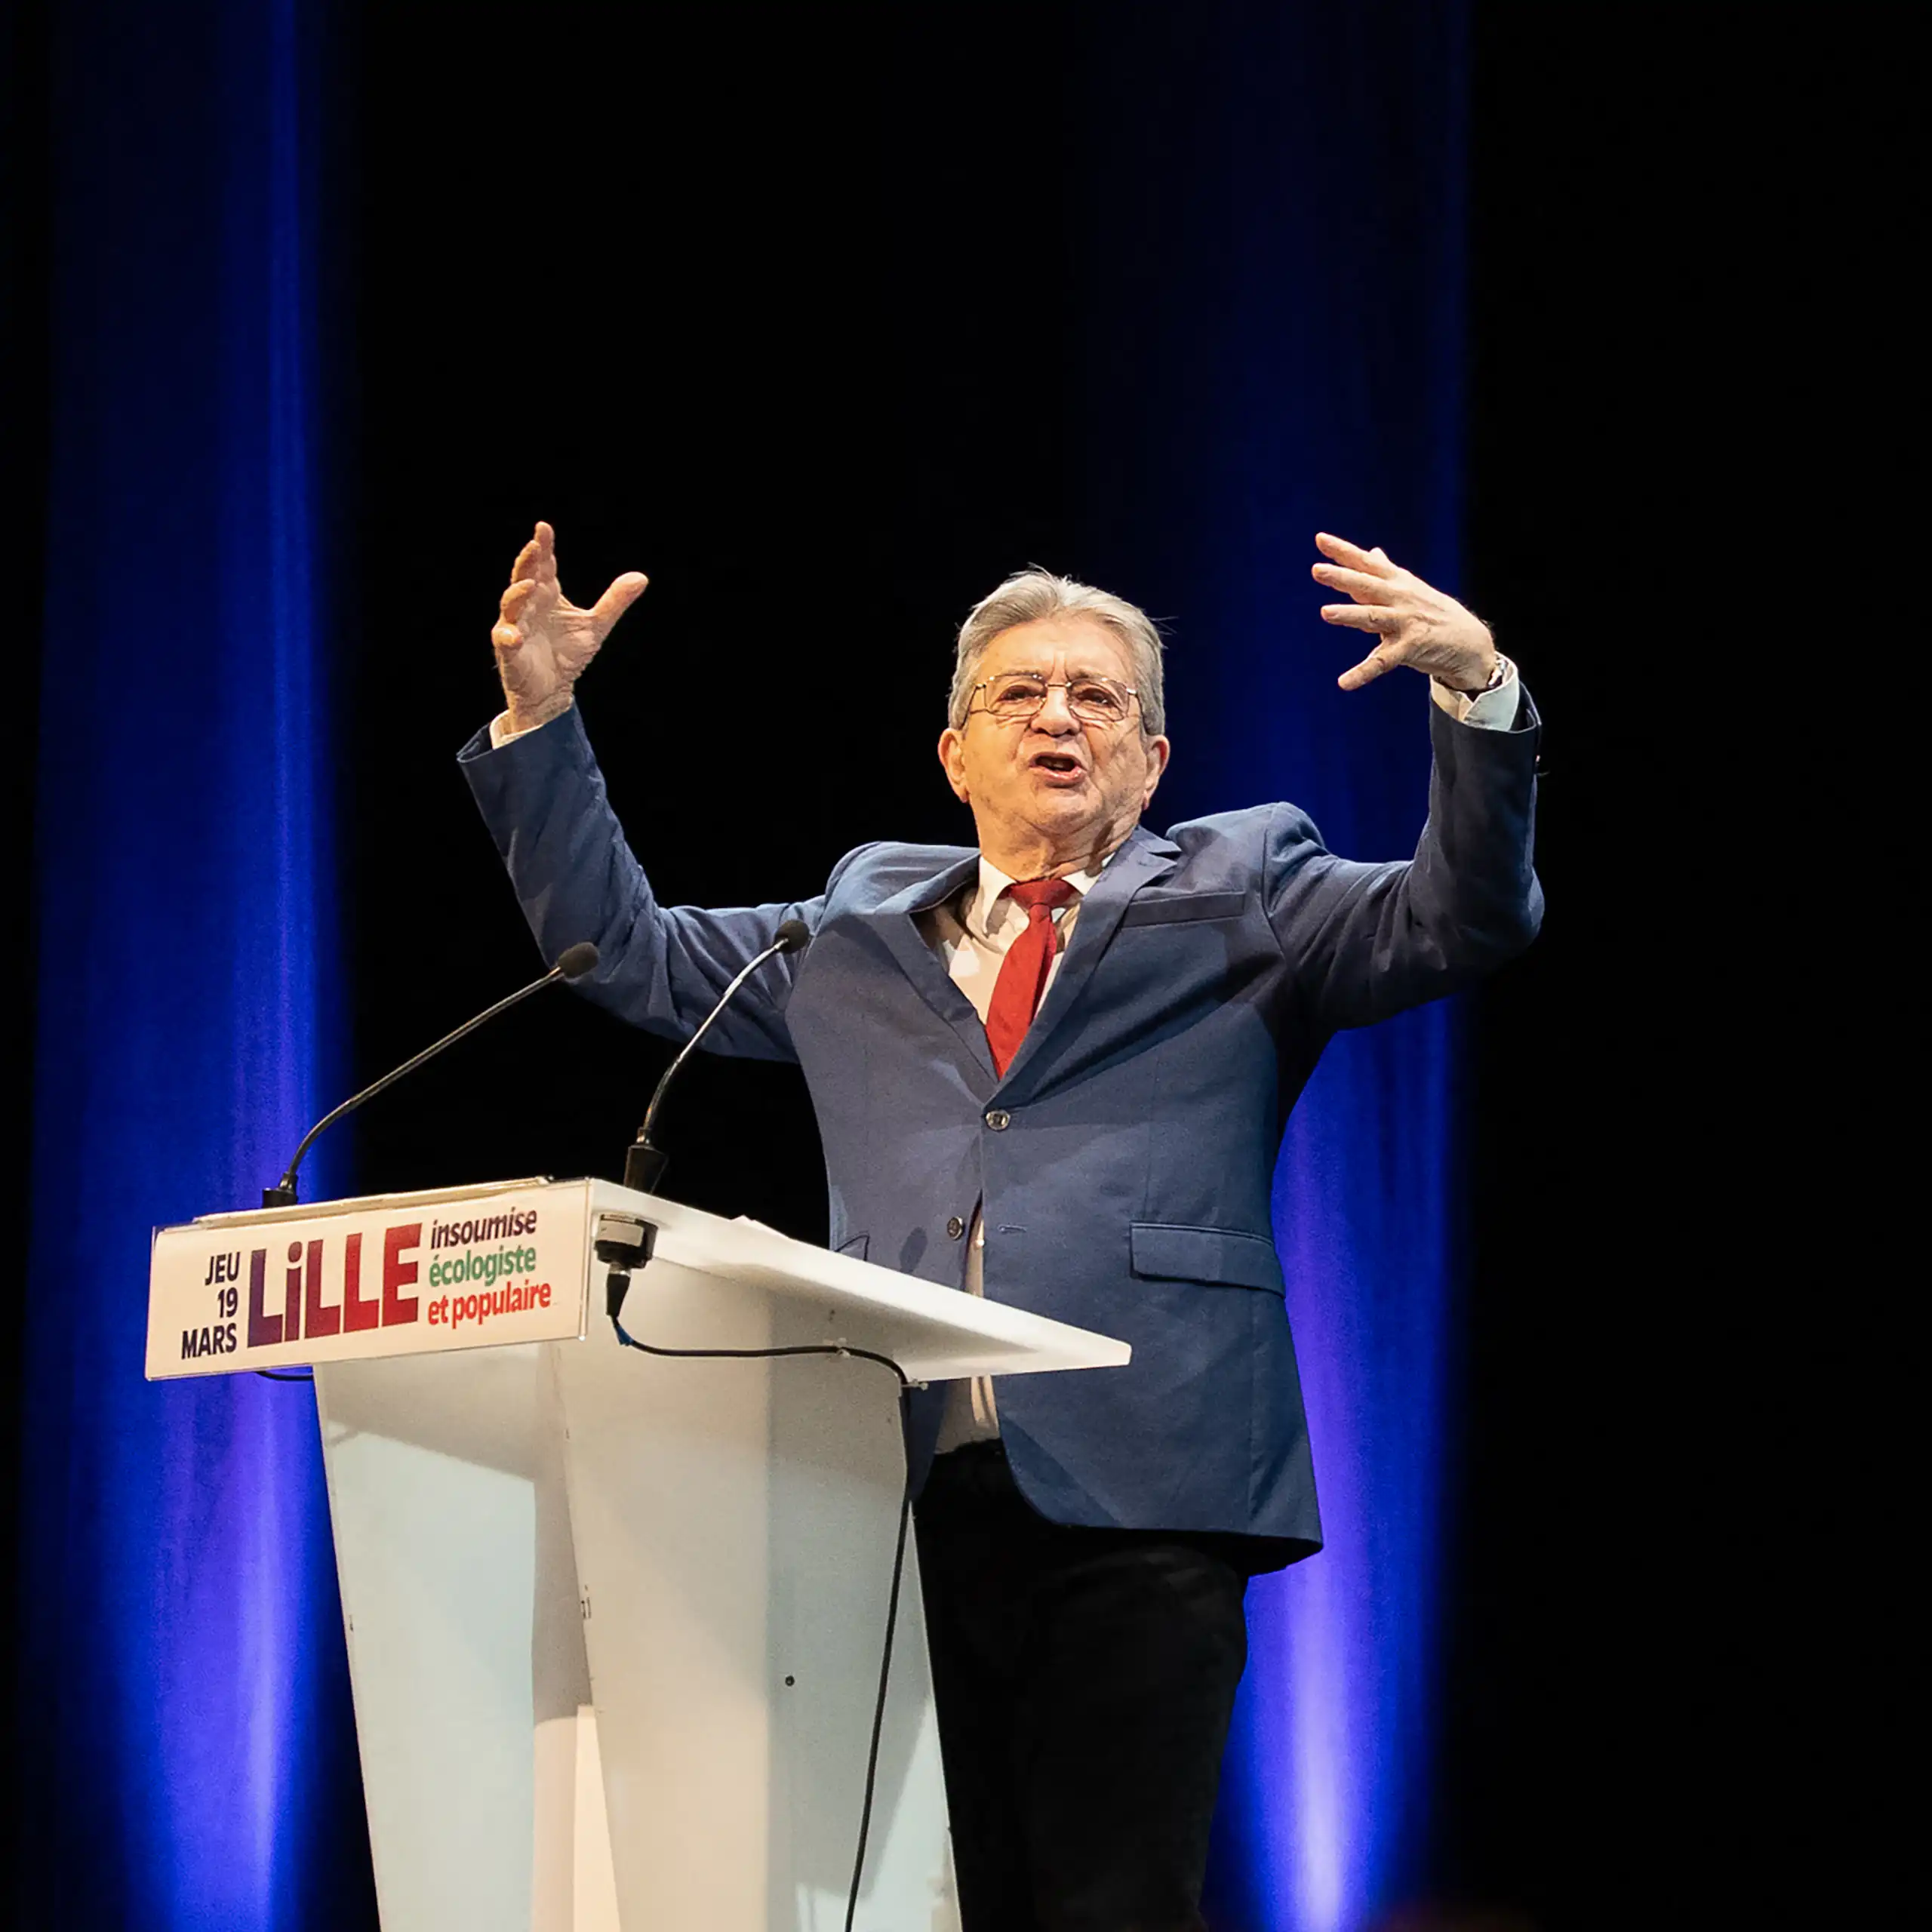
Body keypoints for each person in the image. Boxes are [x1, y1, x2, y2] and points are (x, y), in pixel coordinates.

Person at [461, 522, 1542, 1932]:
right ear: (953, 754)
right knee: (918, 1902)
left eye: (1100, 697)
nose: (1058, 716)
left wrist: (1482, 695)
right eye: (1019, 693)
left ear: (1153, 763)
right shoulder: (847, 925)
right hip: (886, 1499)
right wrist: (542, 722)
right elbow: (627, 954)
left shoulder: (1251, 888)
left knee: (1113, 1904)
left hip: (1145, 1483)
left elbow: (1466, 918)